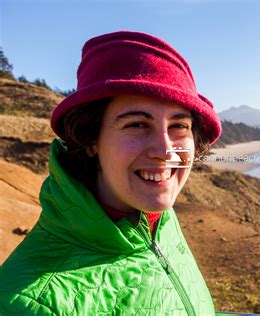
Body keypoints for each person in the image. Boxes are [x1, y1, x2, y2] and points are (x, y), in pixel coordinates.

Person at [0, 30, 221, 315]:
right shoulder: (30, 304)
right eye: (137, 125)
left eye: (179, 126)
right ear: (91, 140)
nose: (165, 150)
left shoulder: (158, 220)